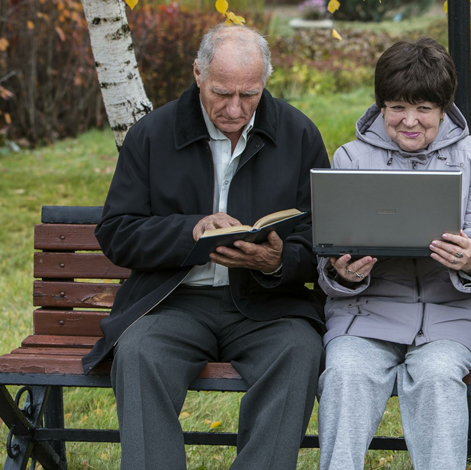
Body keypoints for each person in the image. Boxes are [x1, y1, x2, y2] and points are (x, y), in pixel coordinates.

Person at [81, 24, 330, 470]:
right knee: (139, 354)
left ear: (265, 81)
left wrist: (276, 261)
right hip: (174, 302)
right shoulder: (151, 135)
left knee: (300, 351)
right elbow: (117, 231)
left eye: (249, 94)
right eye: (222, 92)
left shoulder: (298, 134)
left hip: (266, 306)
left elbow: (321, 238)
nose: (235, 108)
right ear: (198, 74)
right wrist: (188, 231)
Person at [316, 38, 471, 470]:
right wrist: (344, 272)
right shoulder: (351, 157)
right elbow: (328, 255)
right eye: (397, 106)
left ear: (443, 108)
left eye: (423, 108)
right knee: (345, 373)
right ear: (381, 105)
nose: (409, 121)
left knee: (438, 376)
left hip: (452, 315)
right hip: (369, 313)